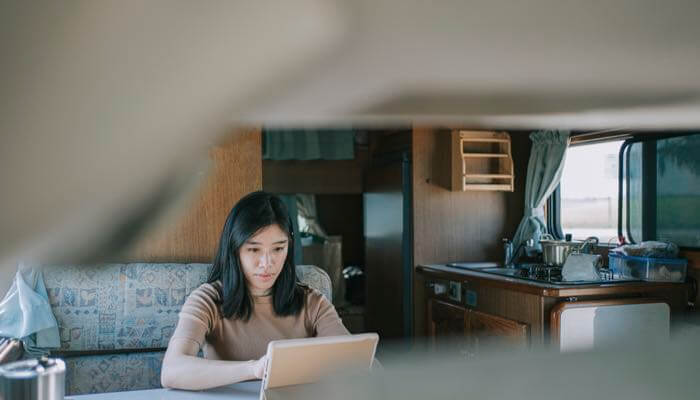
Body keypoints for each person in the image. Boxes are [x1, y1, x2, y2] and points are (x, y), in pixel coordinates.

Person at [160, 191, 349, 390]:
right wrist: (254, 369)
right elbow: (172, 371)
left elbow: (361, 360)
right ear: (235, 250)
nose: (267, 264)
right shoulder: (208, 299)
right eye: (254, 250)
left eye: (278, 249)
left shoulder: (312, 301)